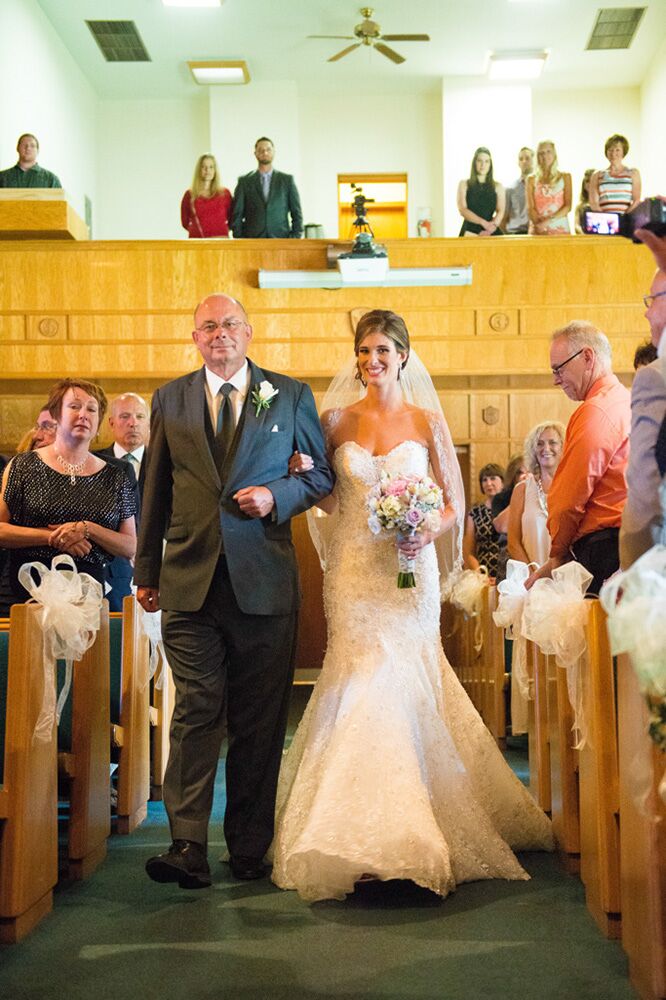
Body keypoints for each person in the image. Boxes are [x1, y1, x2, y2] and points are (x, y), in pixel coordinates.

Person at [272, 309, 552, 902]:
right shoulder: (334, 421)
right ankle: (357, 833)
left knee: (403, 676)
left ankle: (412, 828)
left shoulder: (427, 420)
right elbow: (326, 501)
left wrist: (425, 529)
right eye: (364, 351)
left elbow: (451, 501)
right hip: (353, 572)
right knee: (361, 674)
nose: (372, 361)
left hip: (409, 568)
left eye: (383, 350)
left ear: (403, 355)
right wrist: (302, 472)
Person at [135, 292, 333, 890]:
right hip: (189, 581)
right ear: (195, 338)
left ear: (248, 333)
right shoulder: (170, 398)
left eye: (228, 325)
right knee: (197, 709)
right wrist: (147, 570)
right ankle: (186, 843)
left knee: (258, 720)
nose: (218, 334)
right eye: (207, 327)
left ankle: (249, 847)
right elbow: (155, 491)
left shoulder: (290, 393)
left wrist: (278, 497)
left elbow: (321, 475)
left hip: (264, 582)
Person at [0, 378, 137, 602]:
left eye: (92, 409)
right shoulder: (22, 465)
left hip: (92, 597)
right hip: (31, 590)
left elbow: (130, 546)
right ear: (56, 415)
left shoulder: (115, 475)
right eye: (74, 406)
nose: (83, 414)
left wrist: (87, 528)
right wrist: (52, 537)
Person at [526, 322, 630, 596]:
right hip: (624, 544)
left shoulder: (596, 410)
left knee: (595, 638)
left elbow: (570, 495)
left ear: (587, 357)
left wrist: (558, 553)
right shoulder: (625, 400)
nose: (556, 379)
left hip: (603, 549)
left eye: (558, 369)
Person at [620, 227, 666, 567]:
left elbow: (646, 493)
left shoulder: (654, 378)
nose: (647, 313)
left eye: (652, 300)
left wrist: (633, 573)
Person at [95, 393, 149, 611]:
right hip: (111, 569)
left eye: (139, 416)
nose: (133, 423)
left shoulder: (167, 463)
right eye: (125, 416)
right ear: (111, 423)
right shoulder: (93, 463)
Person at [508, 422, 566, 567]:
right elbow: (513, 542)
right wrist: (533, 574)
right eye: (539, 444)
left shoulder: (572, 488)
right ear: (533, 450)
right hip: (530, 579)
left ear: (563, 447)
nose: (546, 448)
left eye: (552, 443)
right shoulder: (521, 489)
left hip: (565, 575)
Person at [231, 137, 303, 239]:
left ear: (274, 152)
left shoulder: (287, 181)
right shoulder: (244, 182)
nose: (265, 152)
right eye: (261, 150)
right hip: (252, 241)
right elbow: (237, 214)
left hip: (281, 240)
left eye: (268, 149)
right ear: (255, 153)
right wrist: (240, 238)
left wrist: (294, 237)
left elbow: (296, 213)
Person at [462, 463, 505, 579]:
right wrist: (481, 575)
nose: (488, 483)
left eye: (492, 478)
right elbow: (469, 550)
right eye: (484, 480)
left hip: (509, 575)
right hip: (483, 574)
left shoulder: (511, 508)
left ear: (503, 482)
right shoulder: (475, 512)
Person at [180, 154, 232, 239]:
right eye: (204, 167)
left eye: (211, 167)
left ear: (215, 170)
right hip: (197, 242)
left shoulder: (225, 194)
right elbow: (185, 222)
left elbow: (232, 218)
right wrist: (196, 231)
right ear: (198, 170)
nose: (207, 170)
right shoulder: (189, 195)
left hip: (221, 241)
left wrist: (220, 232)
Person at [457, 147, 505, 236]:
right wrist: (483, 223)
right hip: (470, 231)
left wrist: (490, 229)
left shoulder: (498, 186)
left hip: (490, 230)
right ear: (474, 162)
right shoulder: (464, 184)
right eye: (480, 161)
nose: (483, 165)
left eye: (486, 161)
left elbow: (501, 211)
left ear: (490, 164)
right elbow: (462, 209)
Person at [589, 134, 641, 216]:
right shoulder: (597, 175)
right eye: (610, 150)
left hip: (626, 220)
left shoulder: (633, 173)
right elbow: (593, 203)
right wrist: (607, 218)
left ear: (624, 151)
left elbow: (636, 200)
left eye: (617, 150)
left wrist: (623, 217)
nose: (613, 153)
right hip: (604, 221)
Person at [527, 141, 572, 235]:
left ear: (554, 154)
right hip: (537, 228)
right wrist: (539, 225)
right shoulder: (531, 179)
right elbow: (530, 207)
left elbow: (568, 206)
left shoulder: (565, 177)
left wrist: (547, 223)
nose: (545, 155)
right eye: (541, 153)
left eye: (548, 151)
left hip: (559, 228)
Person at [501, 147, 533, 235]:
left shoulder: (541, 188)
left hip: (536, 234)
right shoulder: (510, 189)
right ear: (518, 163)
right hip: (515, 234)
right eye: (521, 159)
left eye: (527, 158)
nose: (524, 161)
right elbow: (503, 218)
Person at [574, 168, 595, 234]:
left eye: (592, 181)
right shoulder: (580, 206)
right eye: (587, 181)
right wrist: (582, 233)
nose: (589, 184)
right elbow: (576, 225)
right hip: (584, 237)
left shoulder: (603, 203)